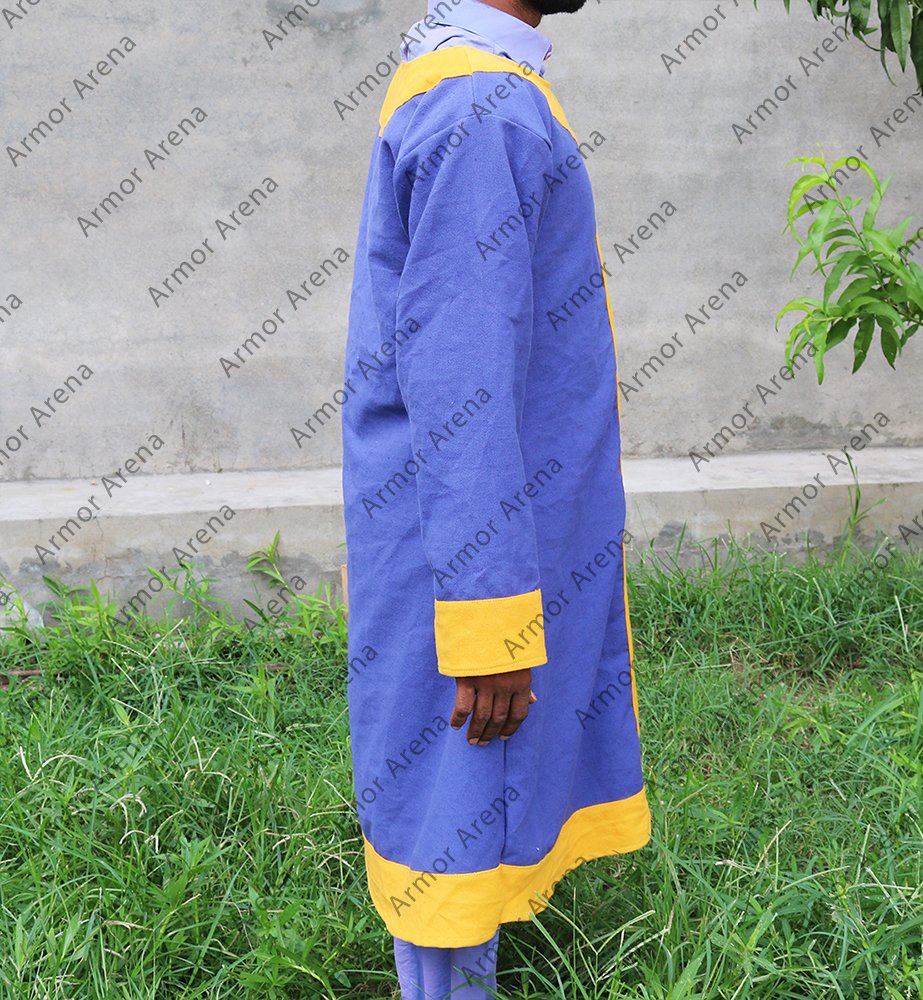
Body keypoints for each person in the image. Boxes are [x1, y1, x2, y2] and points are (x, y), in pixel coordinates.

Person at [340, 0, 651, 995]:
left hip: (468, 528)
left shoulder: (472, 86)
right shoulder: (482, 107)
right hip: (468, 549)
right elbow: (462, 377)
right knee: (455, 819)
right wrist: (490, 626)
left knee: (461, 802)